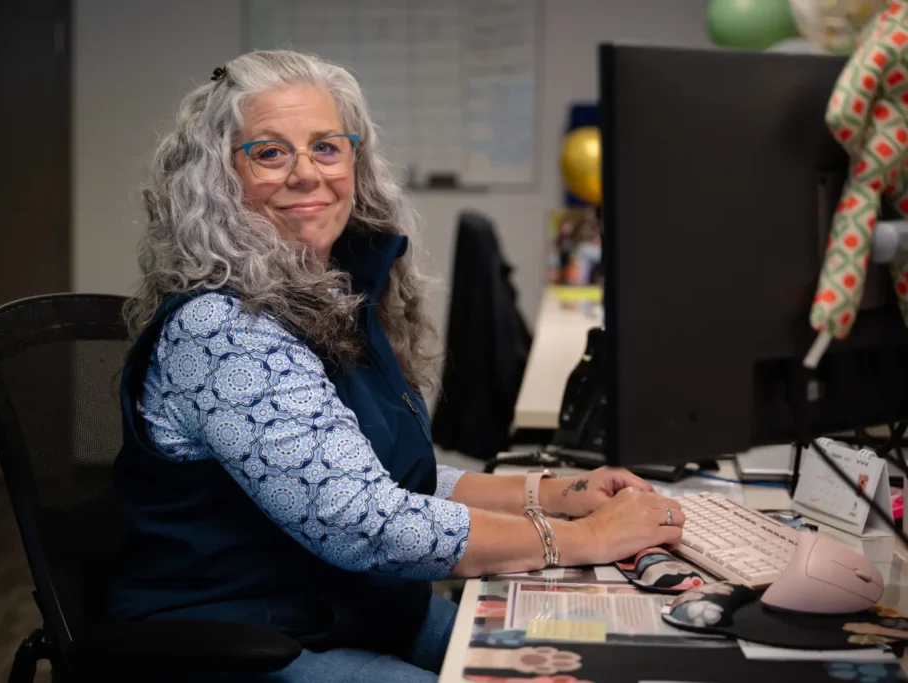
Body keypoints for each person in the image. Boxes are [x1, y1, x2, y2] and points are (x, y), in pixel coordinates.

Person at [105, 50, 686, 683]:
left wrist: (556, 494)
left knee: (595, 657)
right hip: (247, 639)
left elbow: (388, 479)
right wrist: (584, 539)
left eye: (327, 147)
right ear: (221, 178)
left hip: (352, 608)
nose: (307, 174)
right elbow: (364, 523)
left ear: (356, 160)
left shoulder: (329, 292)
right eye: (270, 153)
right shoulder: (223, 331)